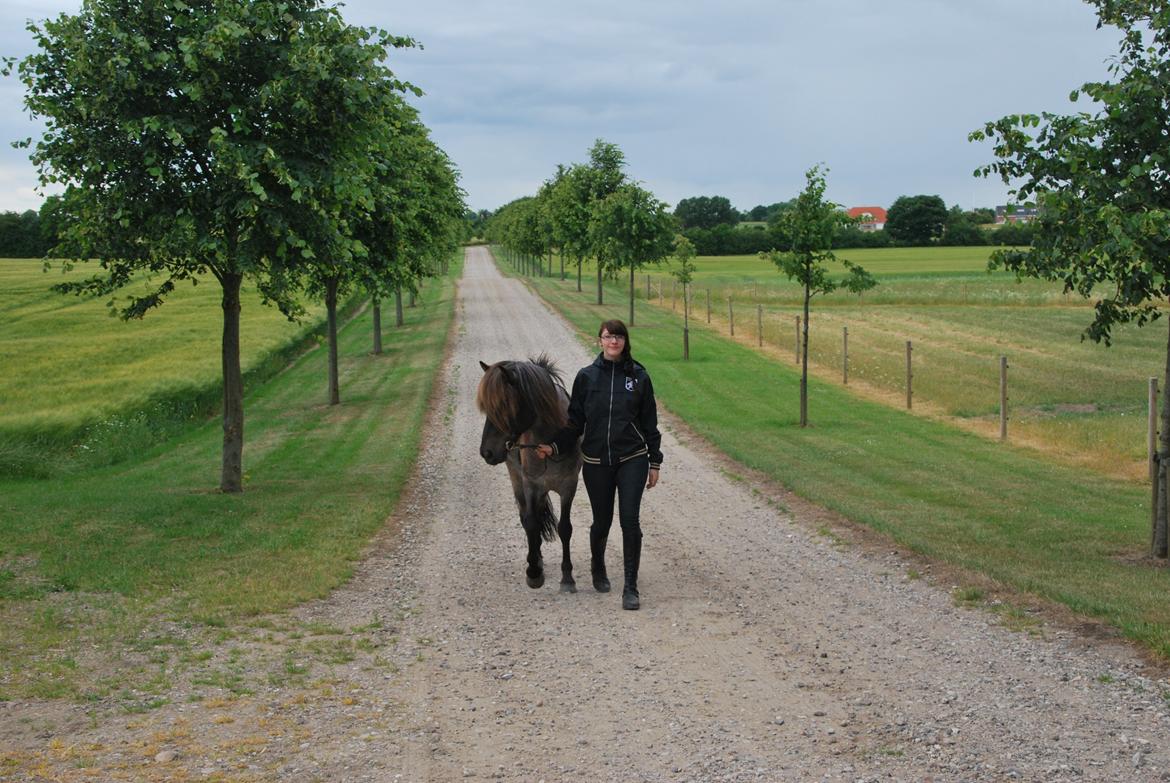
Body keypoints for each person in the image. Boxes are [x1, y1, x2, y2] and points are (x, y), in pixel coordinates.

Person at [536, 319, 662, 610]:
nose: (613, 341)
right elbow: (575, 423)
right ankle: (598, 564)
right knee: (601, 522)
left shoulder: (639, 377)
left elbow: (650, 423)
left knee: (630, 520)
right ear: (600, 341)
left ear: (625, 341)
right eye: (608, 336)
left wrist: (654, 461)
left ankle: (630, 587)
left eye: (619, 336)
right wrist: (554, 446)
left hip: (632, 458)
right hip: (596, 462)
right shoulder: (586, 377)